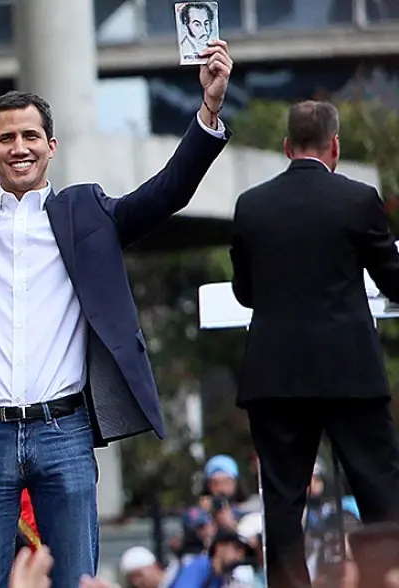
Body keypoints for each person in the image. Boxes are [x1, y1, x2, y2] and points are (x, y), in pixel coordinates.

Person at [0, 41, 233, 588]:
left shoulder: (86, 213)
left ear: (51, 146)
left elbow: (168, 193)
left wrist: (209, 111)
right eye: (7, 138)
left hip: (64, 433)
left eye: (30, 136)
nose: (19, 148)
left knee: (78, 581)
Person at [229, 100, 399, 588]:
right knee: (380, 492)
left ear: (287, 147)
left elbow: (244, 292)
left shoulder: (252, 205)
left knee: (283, 502)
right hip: (349, 372)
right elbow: (392, 279)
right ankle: (386, 578)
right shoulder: (358, 200)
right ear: (335, 146)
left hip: (275, 377)